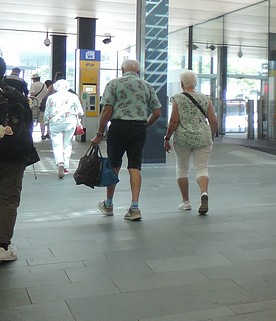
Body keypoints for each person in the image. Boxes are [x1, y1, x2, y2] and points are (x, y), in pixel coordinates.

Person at [91, 59, 162, 221]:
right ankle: (135, 207)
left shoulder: (114, 84)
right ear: (138, 71)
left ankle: (108, 204)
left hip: (119, 127)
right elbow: (157, 112)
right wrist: (145, 125)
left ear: (122, 70)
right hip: (139, 128)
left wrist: (100, 133)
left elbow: (107, 110)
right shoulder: (147, 85)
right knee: (135, 167)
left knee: (114, 165)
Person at [0, 57, 40, 262]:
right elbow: (28, 126)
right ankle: (2, 246)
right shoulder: (15, 95)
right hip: (12, 155)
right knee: (8, 199)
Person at [163, 70, 218, 215]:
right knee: (202, 168)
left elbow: (174, 121)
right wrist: (211, 137)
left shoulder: (178, 99)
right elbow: (213, 121)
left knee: (182, 168)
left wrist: (167, 138)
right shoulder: (205, 99)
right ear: (196, 83)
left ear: (181, 84)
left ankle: (186, 202)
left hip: (183, 138)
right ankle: (204, 193)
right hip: (203, 137)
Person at [43, 79, 84, 179]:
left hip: (55, 122)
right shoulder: (73, 97)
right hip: (70, 122)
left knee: (57, 144)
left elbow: (47, 111)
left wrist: (46, 122)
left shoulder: (51, 97)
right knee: (67, 144)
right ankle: (66, 166)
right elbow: (80, 112)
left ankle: (60, 162)